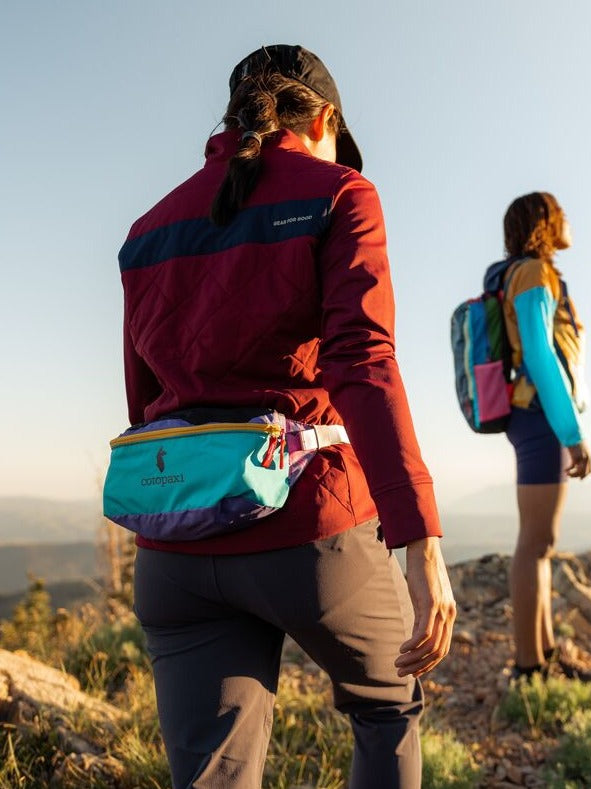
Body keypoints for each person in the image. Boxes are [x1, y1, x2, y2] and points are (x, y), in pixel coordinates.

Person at [119, 44, 456, 788]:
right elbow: (363, 365)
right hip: (308, 533)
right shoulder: (341, 194)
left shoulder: (146, 230)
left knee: (211, 773)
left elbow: (144, 406)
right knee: (386, 709)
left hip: (176, 549)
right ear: (325, 119)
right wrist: (419, 538)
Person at [489, 192, 591, 683]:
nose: (568, 219)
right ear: (543, 223)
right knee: (535, 543)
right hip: (538, 417)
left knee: (542, 543)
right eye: (561, 212)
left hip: (531, 415)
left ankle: (545, 655)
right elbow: (539, 354)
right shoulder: (533, 274)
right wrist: (571, 433)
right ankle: (529, 668)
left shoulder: (531, 274)